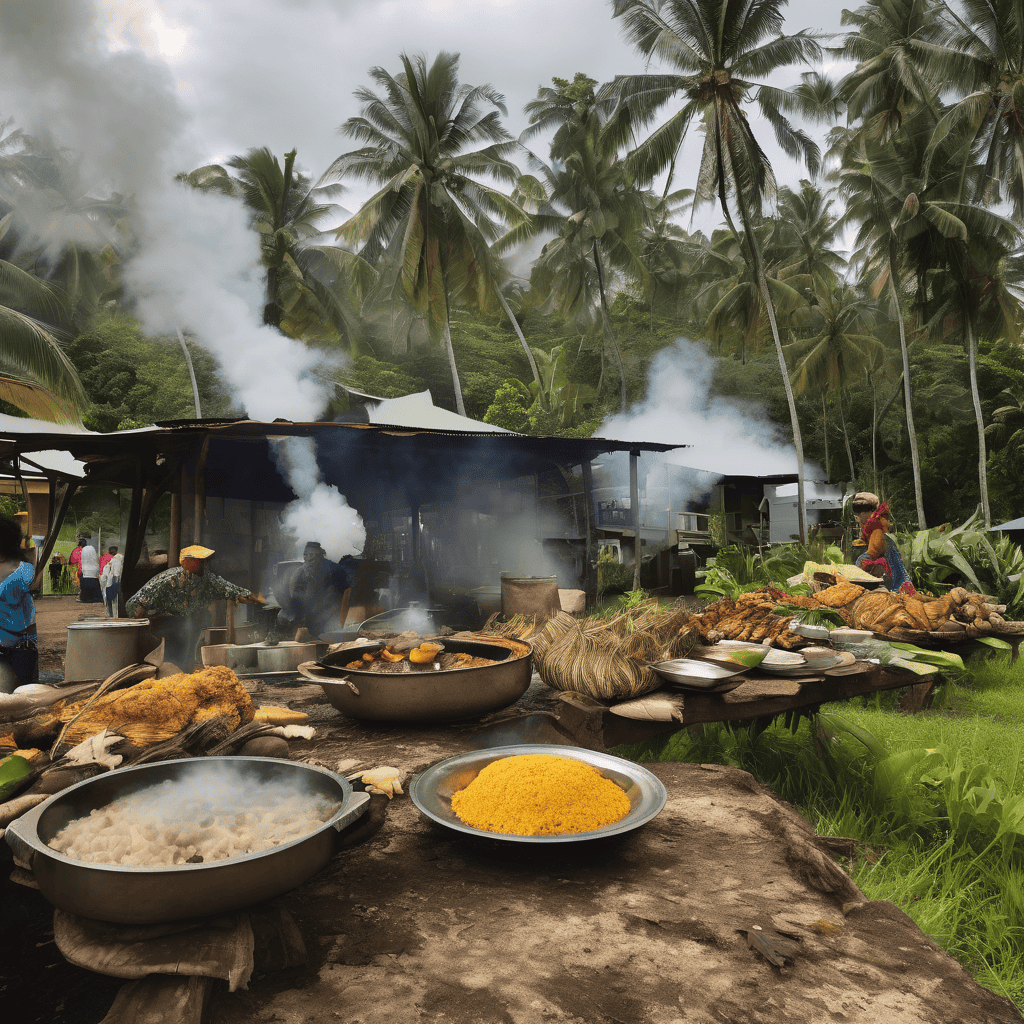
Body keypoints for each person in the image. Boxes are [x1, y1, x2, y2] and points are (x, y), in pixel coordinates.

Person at [126, 545, 258, 668]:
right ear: (189, 563)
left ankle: (183, 669)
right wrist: (142, 632)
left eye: (204, 561)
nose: (203, 565)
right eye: (200, 561)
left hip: (179, 617)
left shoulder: (205, 578)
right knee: (169, 650)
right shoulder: (168, 580)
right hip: (154, 618)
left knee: (187, 634)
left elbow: (225, 587)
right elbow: (139, 608)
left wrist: (248, 596)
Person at [280, 541, 357, 639]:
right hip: (310, 617)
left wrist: (341, 616)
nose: (309, 558)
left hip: (332, 614)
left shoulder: (333, 569)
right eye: (306, 555)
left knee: (333, 636)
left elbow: (347, 591)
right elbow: (295, 599)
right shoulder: (299, 573)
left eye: (312, 554)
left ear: (320, 555)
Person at [851, 492, 916, 594]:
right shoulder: (868, 523)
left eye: (859, 512)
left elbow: (876, 550)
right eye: (856, 513)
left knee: (861, 561)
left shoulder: (876, 525)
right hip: (884, 558)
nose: (857, 516)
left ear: (870, 511)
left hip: (887, 560)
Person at [0, 515, 38, 692]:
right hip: (21, 649)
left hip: (18, 650)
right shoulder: (23, 568)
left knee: (21, 695)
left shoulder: (22, 572)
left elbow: (11, 596)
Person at [78, 537, 103, 604]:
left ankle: (86, 598)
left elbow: (83, 561)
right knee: (94, 584)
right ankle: (96, 598)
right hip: (94, 569)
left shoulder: (83, 550)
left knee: (85, 585)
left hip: (86, 570)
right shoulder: (92, 548)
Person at [100, 545, 123, 617]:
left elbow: (116, 573)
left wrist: (114, 583)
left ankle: (112, 615)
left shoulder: (116, 560)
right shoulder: (118, 558)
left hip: (113, 582)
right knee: (114, 600)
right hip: (114, 581)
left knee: (112, 600)